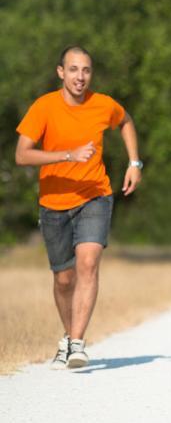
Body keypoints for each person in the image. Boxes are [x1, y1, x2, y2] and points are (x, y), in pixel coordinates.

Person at [15, 46, 142, 369]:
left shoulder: (102, 104)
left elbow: (125, 121)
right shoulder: (44, 107)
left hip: (95, 195)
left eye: (85, 70)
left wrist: (134, 162)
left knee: (88, 263)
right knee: (64, 279)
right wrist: (67, 155)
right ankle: (68, 337)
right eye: (73, 70)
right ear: (61, 72)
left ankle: (76, 342)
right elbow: (22, 155)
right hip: (54, 203)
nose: (80, 77)